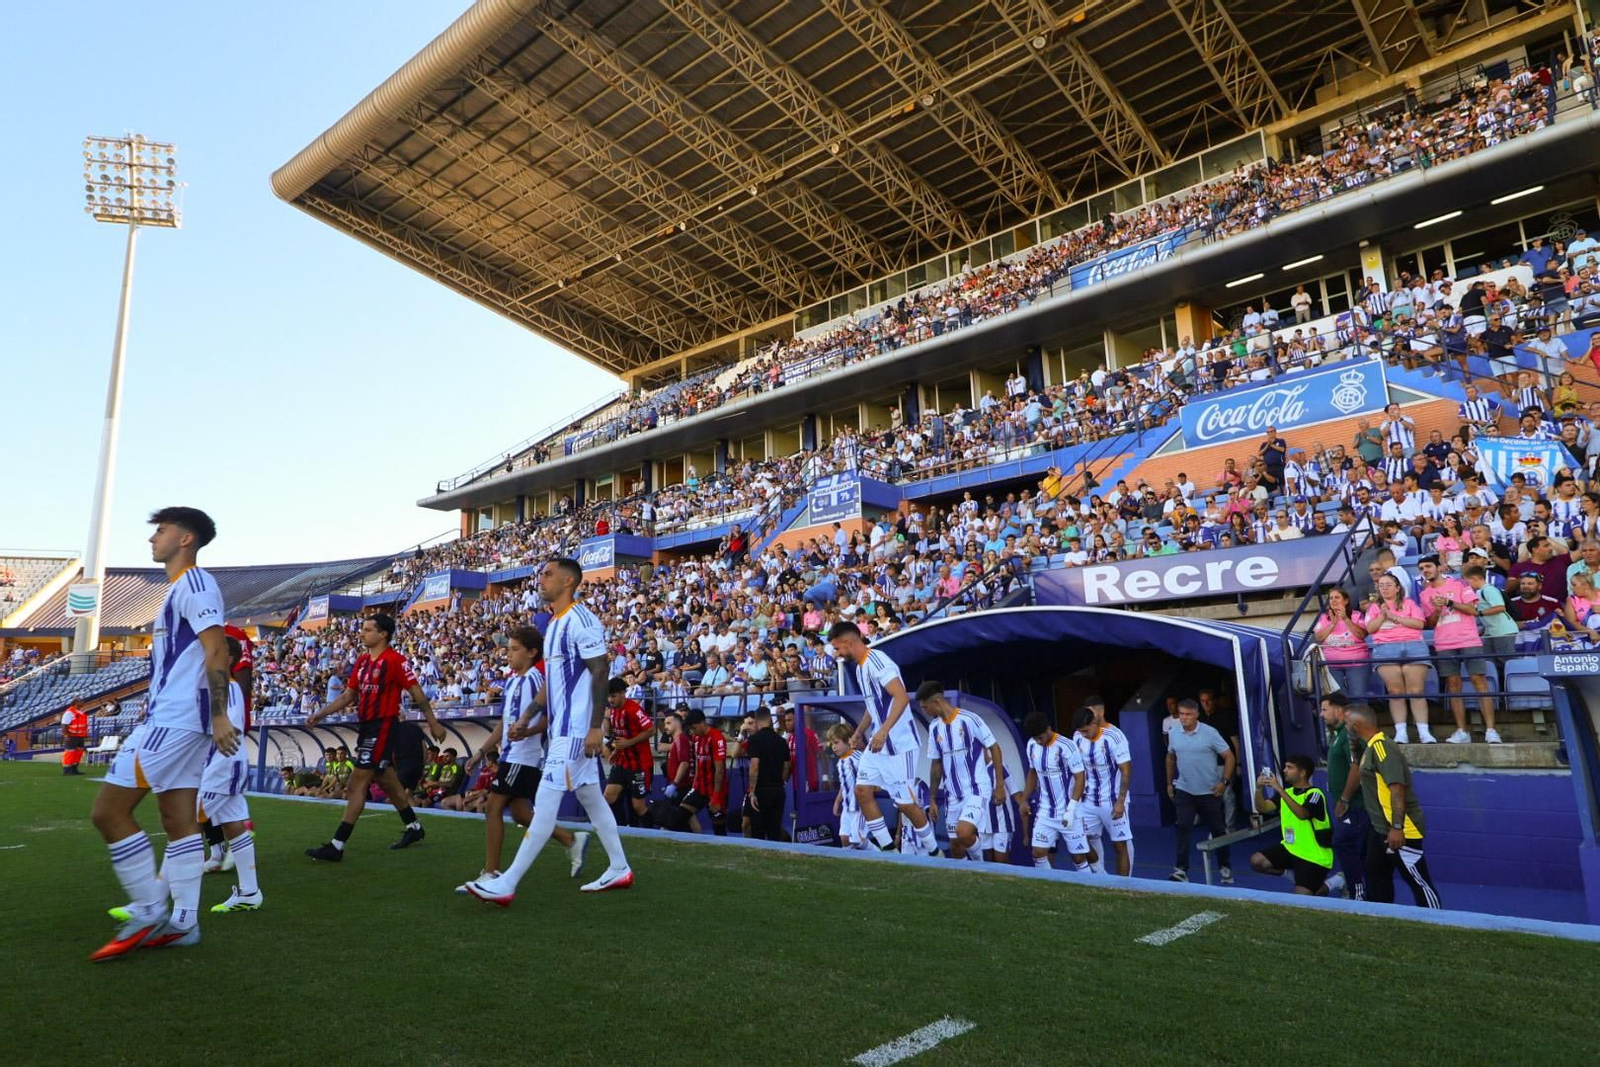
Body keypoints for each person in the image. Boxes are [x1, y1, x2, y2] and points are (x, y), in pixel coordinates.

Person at [90, 507, 237, 960]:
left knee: (108, 813)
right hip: (177, 720)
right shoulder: (179, 590)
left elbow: (218, 651)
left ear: (186, 538)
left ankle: (148, 907)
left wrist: (219, 717)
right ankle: (184, 924)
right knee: (177, 820)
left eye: (162, 530)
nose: (153, 538)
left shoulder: (195, 584)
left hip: (175, 721)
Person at [465, 558, 635, 903]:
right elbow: (553, 683)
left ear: (569, 581)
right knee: (591, 798)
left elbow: (600, 673)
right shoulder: (554, 624)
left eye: (548, 574)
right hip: (562, 730)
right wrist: (528, 715)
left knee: (543, 806)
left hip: (575, 731)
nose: (540, 580)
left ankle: (507, 882)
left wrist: (593, 728)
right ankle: (619, 867)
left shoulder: (582, 620)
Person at [303, 613, 447, 860]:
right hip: (367, 727)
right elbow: (348, 696)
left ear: (383, 634)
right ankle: (414, 828)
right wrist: (321, 713)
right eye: (363, 628)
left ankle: (337, 845)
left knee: (356, 784)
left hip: (383, 727)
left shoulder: (395, 661)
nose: (362, 633)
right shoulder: (361, 662)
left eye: (368, 629)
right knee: (387, 781)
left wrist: (433, 723)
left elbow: (418, 694)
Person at [454, 626, 587, 893]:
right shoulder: (512, 681)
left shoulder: (537, 680)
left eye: (515, 650)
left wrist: (528, 730)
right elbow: (504, 725)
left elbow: (551, 717)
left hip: (524, 757)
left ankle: (491, 873)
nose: (509, 655)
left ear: (532, 652)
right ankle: (571, 839)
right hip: (510, 756)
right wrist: (480, 752)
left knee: (493, 807)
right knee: (521, 813)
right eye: (509, 649)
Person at [828, 621, 937, 856]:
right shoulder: (859, 668)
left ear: (848, 642)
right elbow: (873, 706)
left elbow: (900, 697)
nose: (837, 654)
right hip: (879, 744)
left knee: (905, 804)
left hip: (900, 744)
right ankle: (889, 851)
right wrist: (859, 732)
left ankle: (935, 851)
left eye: (837, 648)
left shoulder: (878, 661)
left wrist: (884, 730)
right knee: (862, 791)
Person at [1346, 703, 1442, 908]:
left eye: (1346, 723)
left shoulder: (1382, 747)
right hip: (1380, 829)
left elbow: (1397, 789)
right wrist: (1354, 749)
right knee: (1375, 874)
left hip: (1399, 828)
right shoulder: (1370, 748)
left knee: (1418, 881)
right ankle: (1382, 917)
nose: (1344, 727)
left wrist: (1397, 827)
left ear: (1355, 726)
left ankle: (1438, 919)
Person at [201, 638, 263, 914]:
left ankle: (151, 902)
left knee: (182, 823)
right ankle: (249, 892)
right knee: (234, 825)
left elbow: (223, 731)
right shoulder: (225, 687)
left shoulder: (227, 687)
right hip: (223, 766)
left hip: (221, 768)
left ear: (227, 657)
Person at [921, 682, 1007, 862]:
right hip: (953, 795)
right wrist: (933, 799)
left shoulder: (970, 719)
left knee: (964, 832)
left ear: (936, 702)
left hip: (976, 789)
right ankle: (964, 877)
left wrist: (999, 785)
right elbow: (936, 764)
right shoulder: (934, 728)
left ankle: (980, 865)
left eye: (925, 707)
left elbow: (995, 748)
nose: (924, 711)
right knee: (956, 847)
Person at [1417, 555, 1498, 744]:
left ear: (1439, 567)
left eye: (1428, 566)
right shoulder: (1424, 594)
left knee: (1480, 681)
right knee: (1453, 686)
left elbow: (1473, 610)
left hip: (1468, 639)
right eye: (1421, 568)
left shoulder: (1459, 584)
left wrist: (1449, 602)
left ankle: (1491, 730)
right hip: (1444, 643)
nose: (1425, 570)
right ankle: (1462, 731)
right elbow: (1429, 623)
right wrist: (1437, 610)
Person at [1165, 698, 1235, 884]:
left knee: (1218, 830)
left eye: (1188, 714)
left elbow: (1229, 756)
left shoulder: (1210, 733)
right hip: (1185, 789)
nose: (1184, 718)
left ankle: (1224, 867)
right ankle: (1181, 869)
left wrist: (1224, 782)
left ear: (1196, 715)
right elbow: (1170, 757)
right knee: (1182, 827)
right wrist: (1169, 783)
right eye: (1181, 714)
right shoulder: (1174, 733)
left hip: (1209, 792)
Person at [1361, 574, 1436, 743]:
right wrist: (1383, 614)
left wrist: (1394, 617)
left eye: (1389, 584)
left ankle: (1424, 732)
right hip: (1386, 649)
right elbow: (1370, 629)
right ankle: (1401, 732)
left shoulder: (1409, 603)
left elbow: (1419, 624)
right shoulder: (1374, 608)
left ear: (1397, 587)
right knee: (1395, 692)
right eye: (1381, 585)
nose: (1385, 588)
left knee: (1416, 691)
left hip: (1413, 646)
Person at [1248, 755, 1332, 895]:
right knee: (1257, 861)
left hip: (1313, 855)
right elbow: (1262, 808)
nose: (1285, 770)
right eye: (1285, 767)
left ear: (1302, 773)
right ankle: (1290, 875)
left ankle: (1334, 882)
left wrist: (1279, 789)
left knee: (1304, 898)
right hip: (1290, 848)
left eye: (1290, 767)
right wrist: (1258, 789)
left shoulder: (1315, 794)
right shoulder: (1286, 793)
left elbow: (1302, 814)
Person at [1022, 710, 1087, 872]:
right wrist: (1024, 799)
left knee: (1078, 858)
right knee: (1038, 853)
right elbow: (1032, 772)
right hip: (1046, 812)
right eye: (1035, 738)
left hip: (1069, 811)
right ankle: (1049, 886)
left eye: (1040, 737)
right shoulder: (1032, 745)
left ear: (1048, 728)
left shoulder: (1067, 747)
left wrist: (1071, 808)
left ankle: (1093, 888)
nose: (1038, 741)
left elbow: (1080, 777)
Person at [1072, 706, 1133, 876]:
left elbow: (1126, 770)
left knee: (1120, 845)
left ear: (1094, 723)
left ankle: (1123, 888)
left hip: (1112, 801)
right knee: (1079, 839)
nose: (1083, 734)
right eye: (1080, 731)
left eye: (1085, 730)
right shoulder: (1077, 738)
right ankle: (1100, 874)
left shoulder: (1114, 738)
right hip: (1088, 801)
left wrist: (1120, 801)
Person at [1321, 693, 1368, 900]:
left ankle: (1356, 890)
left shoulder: (1349, 734)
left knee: (1342, 842)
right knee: (1348, 845)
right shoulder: (1336, 733)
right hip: (1345, 804)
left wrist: (1345, 799)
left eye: (1324, 709)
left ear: (1338, 710)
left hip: (1355, 805)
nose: (1321, 714)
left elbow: (1356, 768)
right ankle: (1351, 884)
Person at [602, 678, 654, 826]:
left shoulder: (634, 710)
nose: (610, 699)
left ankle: (653, 833)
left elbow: (651, 730)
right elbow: (620, 734)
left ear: (623, 694)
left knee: (638, 805)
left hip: (639, 764)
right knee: (608, 797)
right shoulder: (613, 711)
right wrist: (612, 747)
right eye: (609, 696)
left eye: (613, 696)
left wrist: (628, 743)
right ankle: (622, 826)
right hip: (622, 761)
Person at [1313, 588, 1370, 699]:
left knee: (1358, 697)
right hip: (1332, 665)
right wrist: (1332, 624)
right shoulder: (1324, 618)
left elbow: (1362, 635)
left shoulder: (1357, 615)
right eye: (1331, 598)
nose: (1333, 600)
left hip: (1356, 663)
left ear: (1346, 600)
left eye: (1337, 597)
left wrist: (1345, 619)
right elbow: (1319, 637)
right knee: (1338, 699)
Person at [743, 709, 790, 841]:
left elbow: (754, 766)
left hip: (761, 790)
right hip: (778, 789)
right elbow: (787, 766)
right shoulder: (781, 741)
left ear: (757, 721)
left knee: (758, 831)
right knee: (774, 830)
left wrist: (752, 792)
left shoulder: (754, 740)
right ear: (770, 720)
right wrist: (781, 782)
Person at [679, 709, 728, 834]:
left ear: (702, 723)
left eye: (694, 728)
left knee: (718, 825)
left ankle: (721, 850)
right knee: (681, 813)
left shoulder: (717, 738)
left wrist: (716, 795)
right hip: (700, 788)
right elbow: (698, 763)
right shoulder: (696, 738)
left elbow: (720, 769)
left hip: (715, 791)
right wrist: (694, 785)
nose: (692, 731)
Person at [828, 724, 868, 850]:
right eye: (831, 744)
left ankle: (883, 855)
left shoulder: (857, 758)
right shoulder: (840, 762)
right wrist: (837, 801)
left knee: (857, 840)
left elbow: (869, 776)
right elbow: (844, 784)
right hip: (847, 806)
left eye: (836, 743)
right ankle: (852, 865)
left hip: (859, 806)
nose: (833, 747)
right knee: (844, 838)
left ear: (847, 741)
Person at [61, 702, 88, 776]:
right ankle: (67, 770)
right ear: (74, 704)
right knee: (70, 753)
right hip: (71, 736)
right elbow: (64, 724)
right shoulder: (69, 713)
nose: (81, 704)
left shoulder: (80, 712)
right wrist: (66, 735)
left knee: (78, 753)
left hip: (80, 736)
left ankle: (74, 769)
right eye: (79, 702)